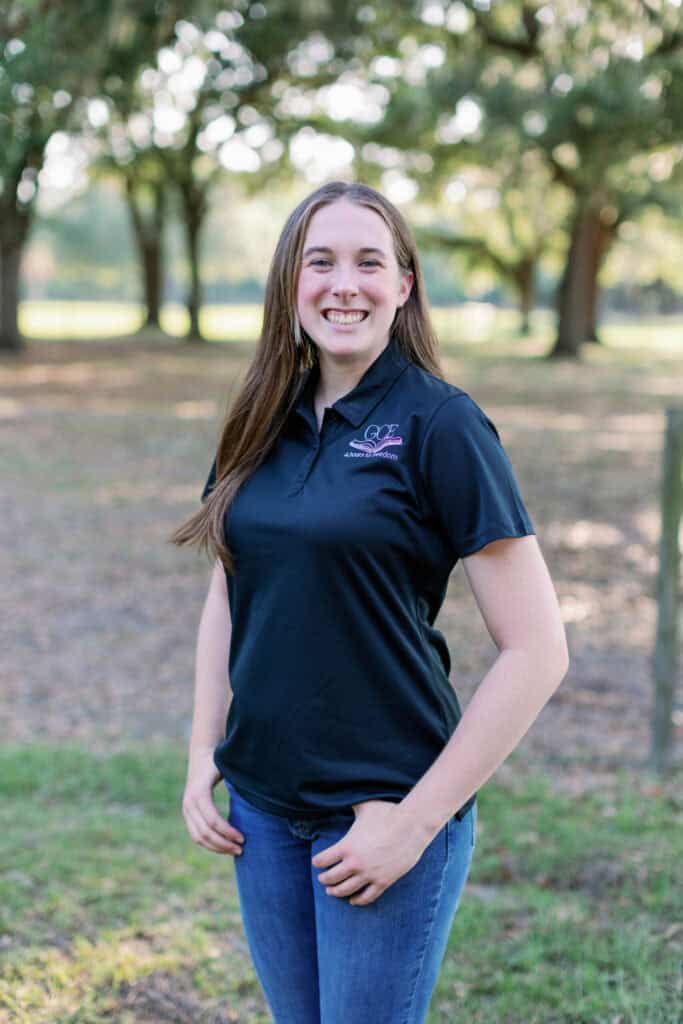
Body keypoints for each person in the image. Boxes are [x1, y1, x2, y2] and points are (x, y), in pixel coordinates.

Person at [171, 179, 569, 1024]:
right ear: (290, 283)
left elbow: (538, 651)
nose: (342, 284)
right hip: (265, 813)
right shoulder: (257, 420)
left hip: (383, 810)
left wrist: (415, 824)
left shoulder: (442, 425)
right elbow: (228, 588)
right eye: (320, 262)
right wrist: (205, 749)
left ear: (403, 284)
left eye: (367, 262)